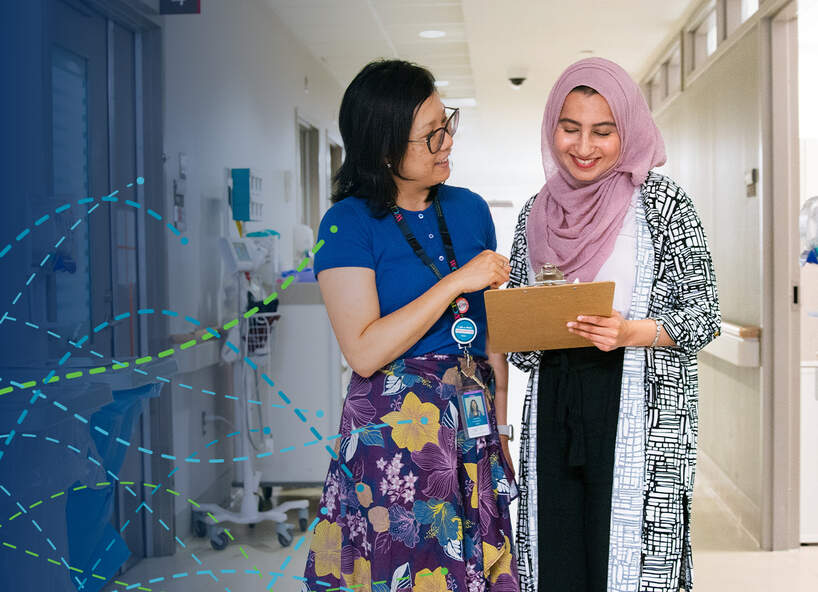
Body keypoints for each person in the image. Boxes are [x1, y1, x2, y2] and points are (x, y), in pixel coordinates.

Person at [303, 59, 518, 592]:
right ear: (383, 149)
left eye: (448, 125)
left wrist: (501, 425)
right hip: (393, 434)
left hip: (470, 418)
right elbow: (364, 351)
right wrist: (453, 283)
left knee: (479, 569)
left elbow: (489, 334)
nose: (447, 142)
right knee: (403, 573)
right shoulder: (346, 224)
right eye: (431, 135)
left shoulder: (469, 210)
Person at [506, 58, 720, 592]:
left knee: (633, 564)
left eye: (603, 132)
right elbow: (521, 345)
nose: (584, 147)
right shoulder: (536, 212)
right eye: (570, 128)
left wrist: (629, 331)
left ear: (628, 131)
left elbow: (703, 314)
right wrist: (525, 321)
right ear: (551, 125)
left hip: (642, 409)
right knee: (556, 552)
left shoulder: (662, 204)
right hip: (556, 404)